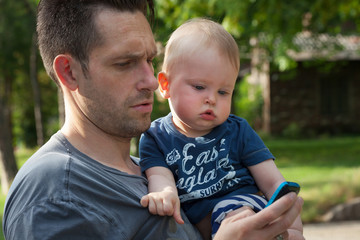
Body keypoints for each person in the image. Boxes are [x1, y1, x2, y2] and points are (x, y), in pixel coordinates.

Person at [2, 0, 303, 239]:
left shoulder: (151, 167)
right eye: (125, 63)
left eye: (149, 59)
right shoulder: (54, 192)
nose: (150, 79)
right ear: (69, 72)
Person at [139, 19, 304, 240]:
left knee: (249, 210)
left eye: (224, 92)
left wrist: (291, 222)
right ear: (166, 85)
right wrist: (165, 193)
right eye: (199, 87)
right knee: (222, 213)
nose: (211, 99)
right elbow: (159, 175)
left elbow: (272, 181)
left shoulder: (237, 130)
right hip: (215, 227)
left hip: (251, 208)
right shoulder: (156, 136)